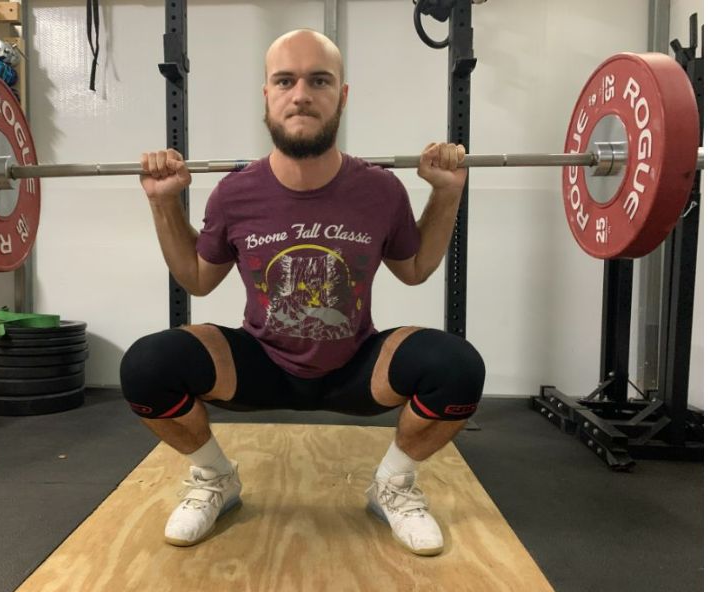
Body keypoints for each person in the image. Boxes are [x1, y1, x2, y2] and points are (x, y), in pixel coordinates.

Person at [120, 29, 485, 557]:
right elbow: (198, 280)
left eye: (319, 80)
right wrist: (161, 204)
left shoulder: (380, 189)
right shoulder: (235, 192)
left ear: (342, 95)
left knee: (457, 367)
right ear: (267, 95)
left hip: (354, 366)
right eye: (285, 81)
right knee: (148, 366)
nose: (301, 94)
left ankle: (393, 486)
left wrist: (447, 193)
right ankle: (215, 477)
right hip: (261, 362)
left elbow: (416, 269)